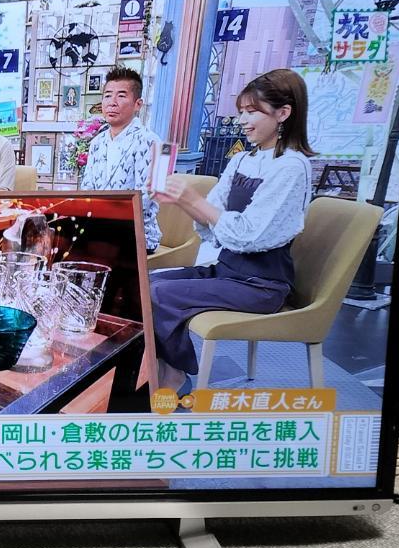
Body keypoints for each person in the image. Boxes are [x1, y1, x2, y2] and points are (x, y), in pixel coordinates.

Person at [148, 68, 316, 394]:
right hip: (226, 272)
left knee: (159, 294)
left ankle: (175, 374)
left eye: (252, 111)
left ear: (283, 113)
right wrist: (183, 201)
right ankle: (163, 368)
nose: (242, 120)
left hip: (262, 285)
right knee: (147, 284)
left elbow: (249, 236)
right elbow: (213, 225)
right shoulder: (241, 161)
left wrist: (194, 201)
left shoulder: (292, 167)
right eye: (241, 111)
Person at [79, 66, 161, 253]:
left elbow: (149, 198)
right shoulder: (97, 142)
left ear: (138, 104)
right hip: (98, 229)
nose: (112, 103)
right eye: (108, 95)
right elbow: (87, 190)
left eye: (121, 96)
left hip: (137, 234)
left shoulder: (154, 142)